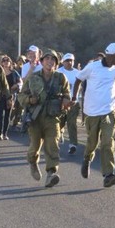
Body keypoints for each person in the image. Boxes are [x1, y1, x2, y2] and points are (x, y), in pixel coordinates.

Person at [72, 43, 115, 188]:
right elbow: (78, 79)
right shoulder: (92, 67)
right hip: (92, 112)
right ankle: (87, 158)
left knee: (107, 142)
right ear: (112, 55)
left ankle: (108, 174)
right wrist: (74, 97)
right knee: (92, 142)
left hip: (109, 111)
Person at [18, 49, 70, 187]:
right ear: (41, 62)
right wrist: (30, 99)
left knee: (52, 145)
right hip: (35, 118)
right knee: (34, 146)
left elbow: (67, 94)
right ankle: (32, 162)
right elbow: (21, 96)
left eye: (53, 59)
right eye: (47, 59)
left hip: (52, 118)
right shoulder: (33, 78)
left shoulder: (60, 78)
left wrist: (66, 100)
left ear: (56, 63)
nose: (50, 62)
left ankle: (51, 173)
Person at [57, 52, 80, 154]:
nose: (69, 62)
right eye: (67, 61)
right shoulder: (58, 72)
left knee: (72, 123)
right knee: (59, 123)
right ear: (63, 62)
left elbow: (81, 86)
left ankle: (73, 144)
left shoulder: (78, 73)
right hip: (61, 102)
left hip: (73, 102)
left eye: (71, 60)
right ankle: (59, 134)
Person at [0, 55, 22, 141]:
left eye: (7, 61)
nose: (6, 62)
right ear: (1, 63)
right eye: (4, 61)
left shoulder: (14, 73)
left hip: (10, 97)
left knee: (7, 116)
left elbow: (20, 82)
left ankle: (5, 134)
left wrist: (17, 85)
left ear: (10, 63)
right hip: (0, 96)